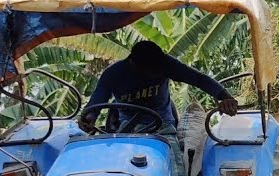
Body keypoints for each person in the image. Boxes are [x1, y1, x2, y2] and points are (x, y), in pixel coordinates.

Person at [81, 39, 238, 133]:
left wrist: (225, 97)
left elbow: (198, 78)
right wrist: (89, 118)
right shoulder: (113, 74)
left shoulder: (166, 64)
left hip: (164, 126)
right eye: (152, 71)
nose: (157, 73)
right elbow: (96, 102)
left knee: (174, 166)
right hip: (127, 128)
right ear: (134, 65)